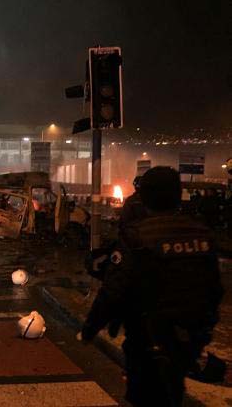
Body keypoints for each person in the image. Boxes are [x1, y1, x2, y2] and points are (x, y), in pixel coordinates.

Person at [80, 167, 223, 406]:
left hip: (148, 338)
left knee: (143, 395)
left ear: (143, 196)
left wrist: (90, 328)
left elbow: (114, 290)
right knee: (173, 393)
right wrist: (203, 330)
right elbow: (215, 289)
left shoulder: (136, 236)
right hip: (189, 337)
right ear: (179, 196)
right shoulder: (201, 234)